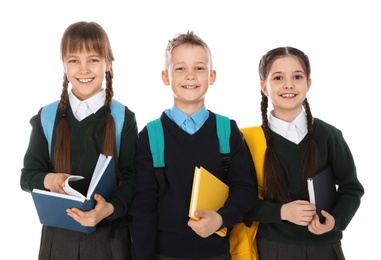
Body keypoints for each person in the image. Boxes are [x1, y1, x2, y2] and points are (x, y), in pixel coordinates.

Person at [129, 31, 255, 260]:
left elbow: (244, 190)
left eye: (199, 68)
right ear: (166, 77)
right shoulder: (151, 135)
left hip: (216, 254)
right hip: (164, 255)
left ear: (212, 75)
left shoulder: (227, 131)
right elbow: (143, 207)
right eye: (180, 68)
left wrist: (221, 218)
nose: (190, 76)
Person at [20, 21, 138, 260]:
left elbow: (133, 178)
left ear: (108, 63)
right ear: (64, 65)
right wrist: (49, 179)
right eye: (74, 60)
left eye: (93, 59)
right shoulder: (47, 116)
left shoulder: (123, 117)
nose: (84, 69)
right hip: (58, 240)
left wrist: (110, 208)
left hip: (110, 240)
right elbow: (27, 177)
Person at [245, 46, 364, 260]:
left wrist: (335, 220)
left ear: (308, 83)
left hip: (325, 248)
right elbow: (241, 201)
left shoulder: (328, 135)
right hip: (274, 249)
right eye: (278, 77)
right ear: (264, 87)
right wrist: (282, 212)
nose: (288, 84)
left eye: (297, 76)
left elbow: (351, 188)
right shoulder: (250, 141)